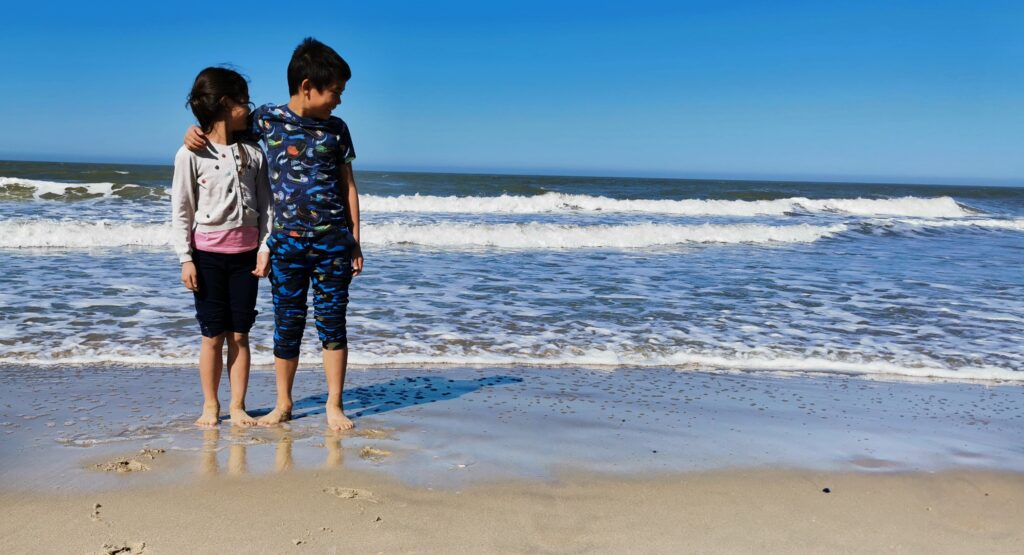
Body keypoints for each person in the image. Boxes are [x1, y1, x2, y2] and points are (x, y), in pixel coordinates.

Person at [185, 38, 364, 431]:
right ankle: (283, 403)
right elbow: (223, 126)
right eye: (335, 92)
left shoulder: (338, 129)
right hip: (286, 246)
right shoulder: (267, 120)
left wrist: (355, 239)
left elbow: (348, 185)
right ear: (307, 86)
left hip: (333, 245)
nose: (339, 100)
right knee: (288, 324)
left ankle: (334, 404)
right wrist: (193, 134)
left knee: (333, 323)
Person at [172, 67, 272, 428]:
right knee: (212, 336)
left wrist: (265, 247)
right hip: (208, 258)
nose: (250, 107)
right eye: (244, 100)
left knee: (240, 335)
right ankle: (211, 405)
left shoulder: (254, 152)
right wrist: (186, 259)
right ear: (227, 103)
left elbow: (267, 207)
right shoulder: (190, 153)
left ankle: (239, 406)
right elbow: (181, 209)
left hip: (246, 258)